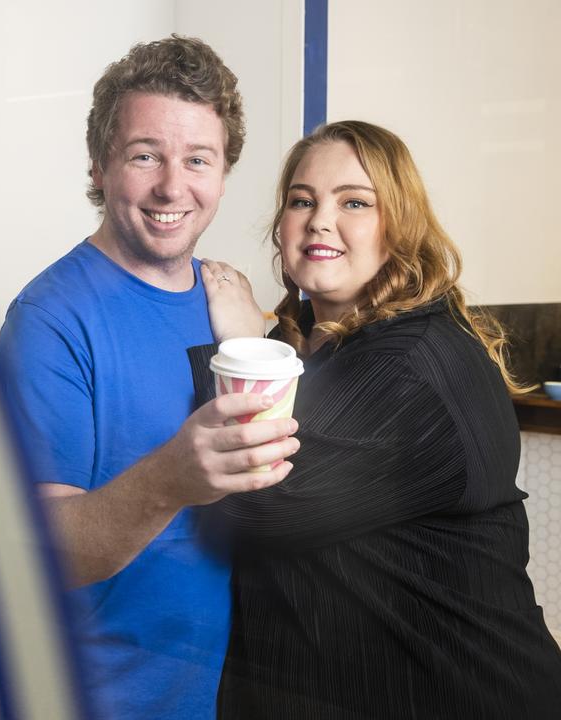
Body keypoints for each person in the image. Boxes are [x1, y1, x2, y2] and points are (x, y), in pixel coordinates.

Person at [199, 120, 561, 718]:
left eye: (355, 202)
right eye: (301, 200)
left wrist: (243, 346)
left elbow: (253, 509)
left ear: (400, 229)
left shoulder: (412, 364)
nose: (319, 219)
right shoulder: (321, 347)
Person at [0, 36, 299, 719]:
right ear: (100, 166)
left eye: (198, 160)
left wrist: (263, 339)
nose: (172, 187)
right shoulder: (50, 320)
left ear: (223, 172)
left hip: (217, 695)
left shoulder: (228, 305)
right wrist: (169, 480)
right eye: (144, 156)